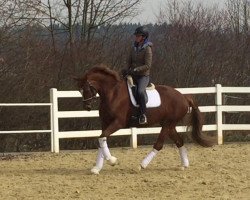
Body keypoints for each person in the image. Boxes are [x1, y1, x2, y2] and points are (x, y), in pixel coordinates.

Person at [126, 26, 153, 125]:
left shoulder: (147, 49)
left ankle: (143, 114)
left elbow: (148, 65)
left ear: (144, 37)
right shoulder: (133, 47)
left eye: (138, 36)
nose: (136, 37)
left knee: (140, 91)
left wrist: (136, 69)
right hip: (132, 74)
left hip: (143, 76)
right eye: (136, 35)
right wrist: (127, 70)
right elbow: (129, 60)